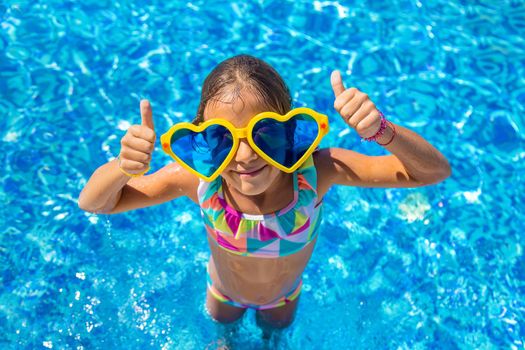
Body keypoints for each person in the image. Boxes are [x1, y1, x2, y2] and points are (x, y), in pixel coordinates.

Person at [78, 54, 451, 330]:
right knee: (223, 334)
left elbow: (432, 172)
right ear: (204, 141)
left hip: (283, 297)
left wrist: (382, 131)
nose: (244, 156)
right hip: (223, 292)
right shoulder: (198, 182)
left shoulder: (318, 173)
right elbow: (95, 203)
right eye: (222, 138)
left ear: (290, 132)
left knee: (275, 336)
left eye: (265, 133)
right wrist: (122, 168)